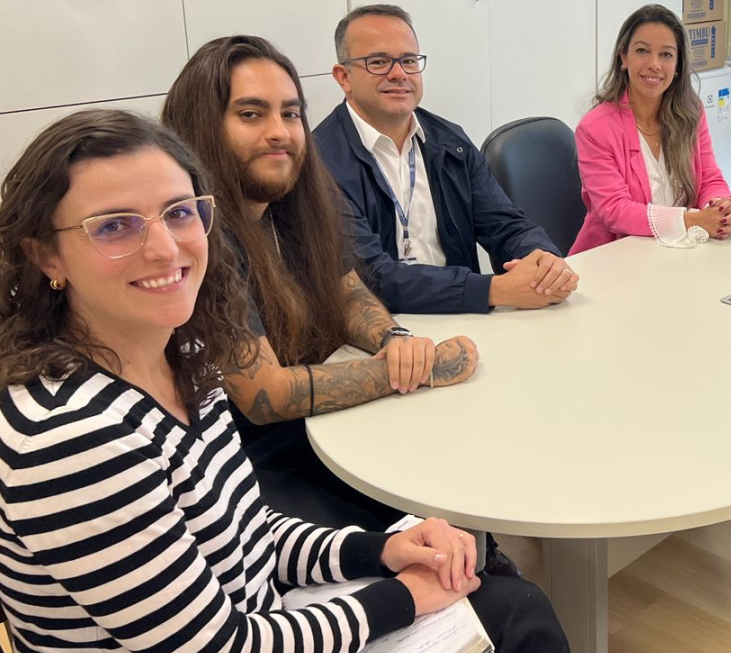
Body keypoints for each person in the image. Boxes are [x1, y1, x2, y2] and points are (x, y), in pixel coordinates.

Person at [0, 109, 600, 653]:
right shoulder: (65, 435)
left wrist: (381, 552)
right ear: (45, 255)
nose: (164, 248)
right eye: (115, 226)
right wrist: (398, 598)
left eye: (179, 213)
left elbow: (249, 536)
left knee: (508, 614)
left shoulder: (182, 357)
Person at [160, 37, 489, 543]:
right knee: (441, 518)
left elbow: (347, 291)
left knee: (461, 473)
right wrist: (414, 370)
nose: (279, 132)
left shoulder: (296, 197)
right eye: (251, 115)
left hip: (324, 431)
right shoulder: (199, 236)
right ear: (202, 127)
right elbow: (266, 395)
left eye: (290, 114)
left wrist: (394, 340)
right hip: (253, 468)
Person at [315, 4, 578, 313]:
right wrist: (493, 290)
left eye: (408, 61)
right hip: (377, 327)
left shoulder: (450, 142)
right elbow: (369, 276)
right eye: (379, 62)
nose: (399, 74)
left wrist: (545, 261)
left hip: (461, 314)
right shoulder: (320, 161)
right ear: (343, 77)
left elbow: (506, 224)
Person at [571, 3, 731, 253]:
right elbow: (615, 210)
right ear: (624, 57)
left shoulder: (691, 113)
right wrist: (692, 221)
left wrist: (718, 208)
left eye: (666, 55)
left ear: (678, 64)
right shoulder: (595, 128)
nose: (654, 64)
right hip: (613, 257)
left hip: (677, 252)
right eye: (642, 51)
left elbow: (709, 177)